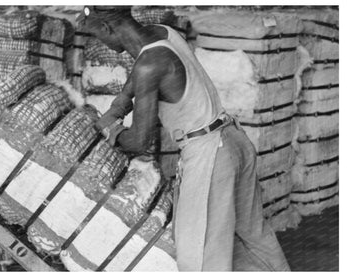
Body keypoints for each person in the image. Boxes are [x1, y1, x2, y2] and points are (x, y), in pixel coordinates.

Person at [77, 6, 290, 271]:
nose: (102, 43)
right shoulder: (164, 33)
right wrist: (118, 107)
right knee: (253, 234)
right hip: (233, 138)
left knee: (199, 256)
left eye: (98, 35)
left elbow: (139, 141)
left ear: (108, 29)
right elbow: (142, 69)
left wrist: (111, 132)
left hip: (209, 154)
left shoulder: (148, 65)